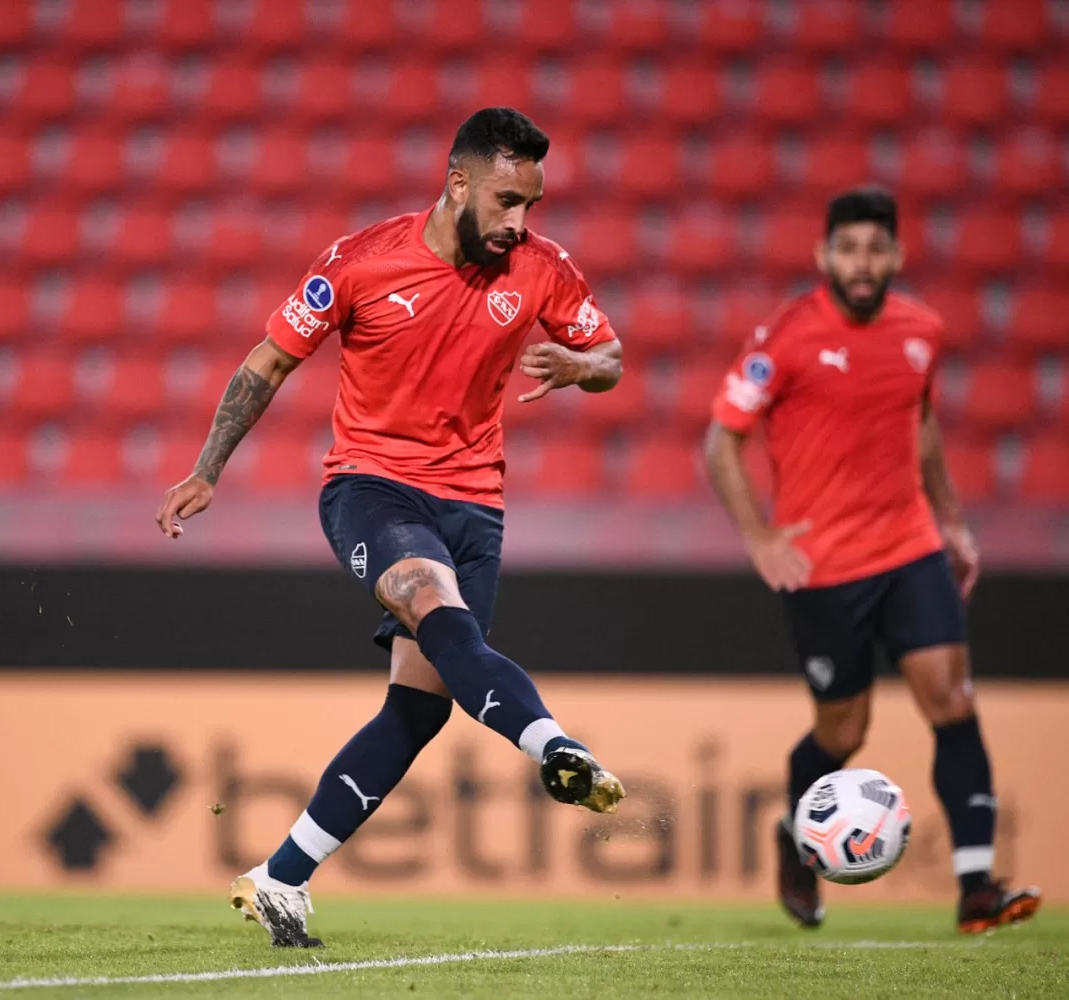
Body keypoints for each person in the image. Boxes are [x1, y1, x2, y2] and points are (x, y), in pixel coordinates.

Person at [156, 108, 626, 947]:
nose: (521, 222)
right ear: (458, 183)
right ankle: (555, 744)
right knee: (424, 593)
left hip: (476, 503)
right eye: (508, 200)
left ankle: (280, 878)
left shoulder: (543, 269)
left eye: (533, 205)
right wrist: (208, 468)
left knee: (422, 707)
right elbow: (267, 363)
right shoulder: (363, 263)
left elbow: (613, 357)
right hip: (373, 488)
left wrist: (581, 366)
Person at [704, 188, 1041, 935]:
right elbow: (719, 441)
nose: (863, 262)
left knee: (951, 701)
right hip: (824, 566)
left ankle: (976, 888)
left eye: (875, 248)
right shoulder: (785, 337)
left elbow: (920, 427)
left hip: (910, 547)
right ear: (824, 256)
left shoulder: (922, 330)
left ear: (897, 256)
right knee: (842, 733)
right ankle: (797, 840)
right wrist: (761, 538)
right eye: (849, 248)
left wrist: (950, 520)